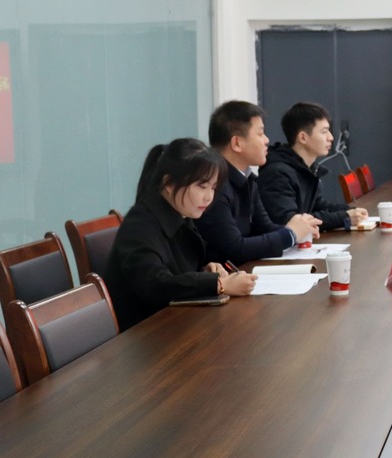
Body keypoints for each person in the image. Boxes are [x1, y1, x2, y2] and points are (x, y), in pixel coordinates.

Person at [102, 138, 258, 331]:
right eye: (202, 187)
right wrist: (219, 284)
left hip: (174, 323)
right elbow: (155, 284)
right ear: (169, 183)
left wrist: (205, 271)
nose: (209, 197)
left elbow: (178, 272)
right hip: (143, 335)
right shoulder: (140, 225)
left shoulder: (180, 214)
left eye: (213, 187)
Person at [195, 101, 321, 265]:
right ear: (237, 143)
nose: (266, 140)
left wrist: (301, 229)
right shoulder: (214, 185)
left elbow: (264, 227)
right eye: (260, 134)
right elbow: (235, 248)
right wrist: (290, 234)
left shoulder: (247, 179)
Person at [259, 102, 369, 230]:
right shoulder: (277, 173)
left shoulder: (305, 168)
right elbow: (290, 221)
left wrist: (351, 211)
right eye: (324, 132)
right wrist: (344, 217)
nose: (331, 137)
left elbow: (317, 205)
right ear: (303, 138)